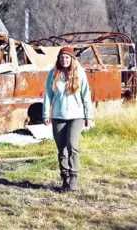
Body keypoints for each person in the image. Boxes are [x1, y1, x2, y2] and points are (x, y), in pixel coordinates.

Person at [42, 47, 94, 192]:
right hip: (58, 116)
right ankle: (64, 177)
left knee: (72, 145)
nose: (64, 60)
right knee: (61, 149)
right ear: (58, 59)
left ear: (72, 59)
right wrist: (46, 114)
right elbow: (48, 95)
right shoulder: (53, 74)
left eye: (67, 58)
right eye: (62, 58)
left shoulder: (79, 73)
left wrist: (88, 115)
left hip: (76, 116)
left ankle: (73, 177)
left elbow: (86, 95)